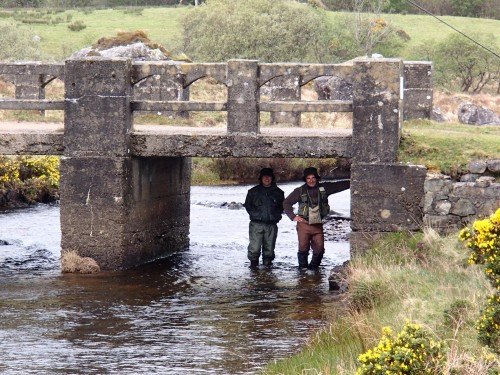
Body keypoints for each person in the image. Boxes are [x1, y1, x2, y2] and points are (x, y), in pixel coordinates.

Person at [283, 167, 350, 269]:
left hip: (318, 225)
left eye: (313, 177)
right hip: (303, 224)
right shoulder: (299, 191)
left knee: (319, 249)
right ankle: (303, 270)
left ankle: (313, 269)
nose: (311, 180)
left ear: (317, 178)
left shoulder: (325, 188)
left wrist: (354, 181)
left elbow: (340, 185)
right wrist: (293, 217)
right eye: (308, 178)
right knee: (303, 249)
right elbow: (286, 203)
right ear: (305, 179)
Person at [244, 168, 285, 269]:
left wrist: (275, 216)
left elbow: (282, 207)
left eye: (269, 177)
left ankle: (267, 270)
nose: (267, 179)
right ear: (261, 178)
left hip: (272, 225)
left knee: (269, 250)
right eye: (264, 177)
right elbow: (248, 206)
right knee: (254, 249)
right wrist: (255, 215)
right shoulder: (252, 192)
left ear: (272, 178)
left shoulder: (279, 192)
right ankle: (254, 269)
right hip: (256, 225)